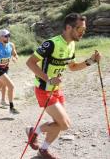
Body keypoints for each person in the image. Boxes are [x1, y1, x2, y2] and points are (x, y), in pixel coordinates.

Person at [25, 13, 101, 159]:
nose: (82, 32)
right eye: (80, 29)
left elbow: (72, 67)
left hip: (57, 89)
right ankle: (34, 131)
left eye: (84, 30)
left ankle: (43, 149)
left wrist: (91, 61)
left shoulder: (71, 45)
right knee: (65, 124)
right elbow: (30, 62)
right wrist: (48, 79)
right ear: (68, 27)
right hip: (43, 89)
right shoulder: (51, 44)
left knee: (59, 123)